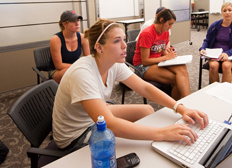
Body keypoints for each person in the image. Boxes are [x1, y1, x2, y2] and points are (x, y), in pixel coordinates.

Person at [52, 18, 209, 153]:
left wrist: (180, 108)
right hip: (75, 136)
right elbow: (111, 124)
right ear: (99, 48)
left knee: (147, 109)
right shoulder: (82, 73)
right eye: (116, 41)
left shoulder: (113, 62)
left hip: (92, 118)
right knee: (132, 145)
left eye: (124, 39)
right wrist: (162, 133)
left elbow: (145, 88)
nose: (124, 45)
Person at [133, 9, 191, 100]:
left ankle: (187, 101)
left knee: (182, 68)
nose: (170, 27)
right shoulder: (147, 33)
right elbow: (145, 61)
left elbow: (160, 50)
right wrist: (166, 57)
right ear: (161, 20)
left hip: (157, 60)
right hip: (142, 66)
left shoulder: (165, 31)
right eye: (169, 24)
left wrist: (167, 53)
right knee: (177, 79)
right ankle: (181, 105)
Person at [199, 2, 232, 84]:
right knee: (213, 66)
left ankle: (224, 92)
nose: (227, 12)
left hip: (230, 55)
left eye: (229, 10)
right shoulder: (214, 26)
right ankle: (215, 90)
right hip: (215, 54)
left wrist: (227, 53)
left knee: (226, 66)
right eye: (224, 10)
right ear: (222, 13)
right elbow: (207, 40)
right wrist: (202, 48)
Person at [50, 10, 90, 83]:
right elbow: (59, 66)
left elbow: (88, 59)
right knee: (73, 74)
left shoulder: (82, 37)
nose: (77, 23)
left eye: (78, 20)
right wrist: (79, 67)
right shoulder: (56, 39)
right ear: (65, 24)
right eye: (73, 21)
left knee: (84, 73)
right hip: (58, 71)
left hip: (75, 69)